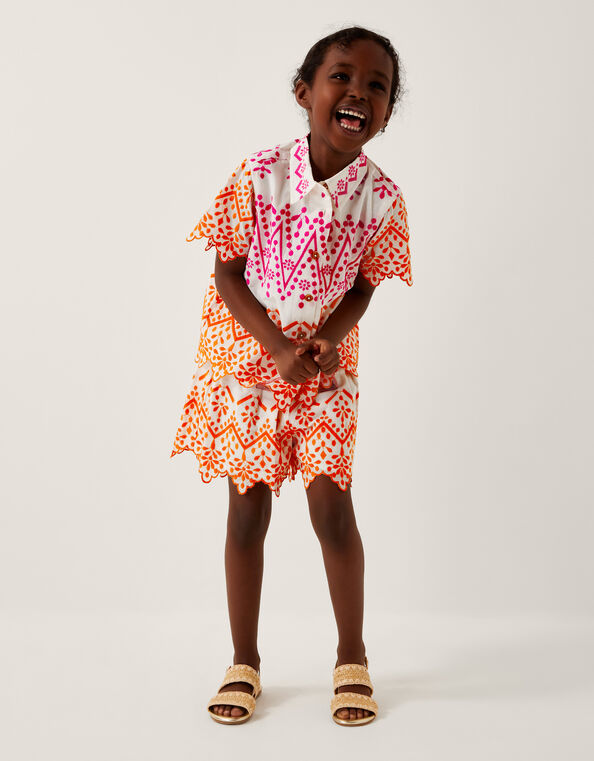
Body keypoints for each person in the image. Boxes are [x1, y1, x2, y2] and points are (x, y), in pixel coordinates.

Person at [170, 25, 413, 726]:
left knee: (332, 508)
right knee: (247, 509)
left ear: (386, 111)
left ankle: (352, 656)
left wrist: (329, 340)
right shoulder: (259, 174)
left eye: (377, 86)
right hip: (249, 362)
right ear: (305, 92)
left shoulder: (383, 199)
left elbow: (364, 286)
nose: (358, 93)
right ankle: (243, 660)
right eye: (342, 77)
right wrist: (276, 346)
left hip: (326, 372)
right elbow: (226, 271)